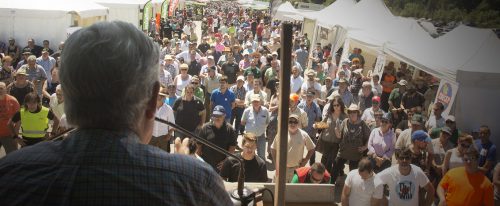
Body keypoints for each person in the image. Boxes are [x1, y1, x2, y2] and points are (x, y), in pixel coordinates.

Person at [0, 21, 231, 205]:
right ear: (152, 101)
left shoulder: (12, 173)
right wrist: (183, 171)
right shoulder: (195, 182)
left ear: (67, 97)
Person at [271, 114, 316, 183]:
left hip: (297, 169)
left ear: (298, 123)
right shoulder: (281, 134)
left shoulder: (304, 135)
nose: (293, 124)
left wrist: (306, 160)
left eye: (295, 122)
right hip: (282, 168)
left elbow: (312, 148)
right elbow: (273, 149)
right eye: (290, 121)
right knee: (277, 190)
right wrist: (276, 164)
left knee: (293, 190)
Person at [332, 104, 370, 183]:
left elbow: (370, 136)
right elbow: (339, 136)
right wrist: (336, 131)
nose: (352, 114)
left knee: (353, 174)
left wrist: (365, 147)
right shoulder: (345, 122)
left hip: (355, 154)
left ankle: (350, 189)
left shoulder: (362, 123)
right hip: (343, 151)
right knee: (335, 167)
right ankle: (331, 185)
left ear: (357, 113)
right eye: (350, 112)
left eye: (354, 112)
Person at [198, 105, 238, 172]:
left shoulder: (230, 129)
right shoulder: (205, 128)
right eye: (215, 115)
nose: (217, 118)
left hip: (221, 166)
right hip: (206, 164)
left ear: (224, 115)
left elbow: (232, 147)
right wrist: (199, 162)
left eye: (219, 116)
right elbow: (198, 146)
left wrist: (226, 162)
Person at [315, 95, 346, 174]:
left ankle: (327, 177)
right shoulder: (329, 114)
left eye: (337, 105)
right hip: (326, 141)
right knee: (324, 160)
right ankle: (320, 175)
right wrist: (316, 125)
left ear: (341, 105)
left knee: (330, 161)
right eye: (334, 105)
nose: (336, 107)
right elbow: (323, 124)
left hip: (336, 143)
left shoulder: (344, 116)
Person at [241, 94, 269, 160]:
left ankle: (260, 169)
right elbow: (242, 122)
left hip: (261, 136)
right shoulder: (247, 111)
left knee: (261, 156)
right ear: (251, 102)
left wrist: (261, 128)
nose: (255, 103)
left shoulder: (265, 111)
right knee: (248, 154)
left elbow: (267, 122)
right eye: (254, 101)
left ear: (260, 102)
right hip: (249, 138)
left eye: (257, 101)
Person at [298, 90, 322, 165]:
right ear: (305, 96)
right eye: (308, 96)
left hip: (311, 132)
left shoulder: (316, 107)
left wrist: (316, 131)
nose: (309, 98)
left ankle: (312, 166)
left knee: (312, 150)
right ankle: (298, 164)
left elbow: (318, 120)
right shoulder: (300, 105)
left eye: (311, 96)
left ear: (313, 97)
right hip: (301, 131)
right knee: (299, 149)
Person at [150, 87, 175, 153]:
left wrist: (169, 135)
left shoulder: (168, 109)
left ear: (164, 97)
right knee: (149, 155)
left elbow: (172, 125)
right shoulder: (149, 107)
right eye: (157, 95)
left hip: (163, 137)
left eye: (161, 95)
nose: (159, 97)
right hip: (150, 136)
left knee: (162, 156)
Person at [0, 82, 20, 154]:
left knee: (12, 156)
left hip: (8, 134)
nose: (0, 91)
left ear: (6, 89)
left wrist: (15, 134)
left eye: (1, 88)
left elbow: (18, 120)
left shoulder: (13, 101)